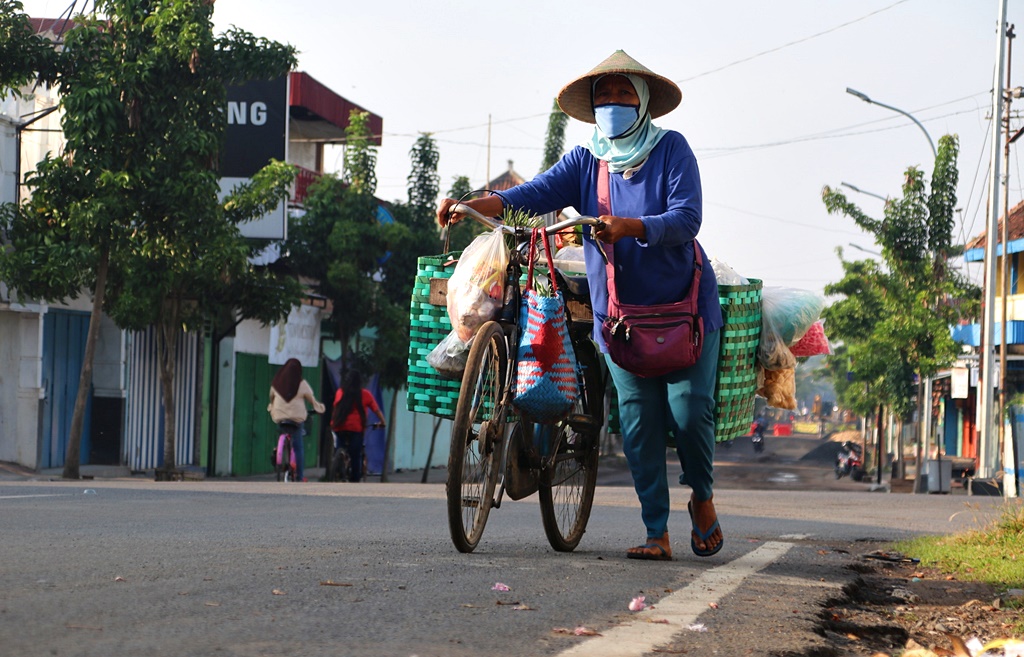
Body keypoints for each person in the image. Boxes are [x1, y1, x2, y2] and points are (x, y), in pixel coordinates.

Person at [437, 50, 724, 560]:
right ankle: (656, 532)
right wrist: (466, 205)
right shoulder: (585, 161)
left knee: (691, 413)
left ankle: (701, 497)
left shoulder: (672, 150)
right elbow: (529, 194)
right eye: (604, 94)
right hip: (620, 318)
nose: (612, 102)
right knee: (637, 424)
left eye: (622, 92)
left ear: (642, 101)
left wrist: (634, 227)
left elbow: (688, 218)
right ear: (593, 107)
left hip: (686, 313)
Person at [268, 358, 325, 482]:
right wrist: (319, 408)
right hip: (296, 421)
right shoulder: (301, 384)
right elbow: (311, 399)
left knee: (282, 429)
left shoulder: (276, 383)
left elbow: (271, 397)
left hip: (280, 418)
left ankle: (279, 452)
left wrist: (271, 407)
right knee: (298, 447)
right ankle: (299, 477)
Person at [331, 370, 387, 482]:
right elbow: (377, 411)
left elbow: (335, 409)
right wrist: (382, 422)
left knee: (339, 447)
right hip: (356, 429)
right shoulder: (365, 394)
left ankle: (338, 463)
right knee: (355, 455)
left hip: (338, 427)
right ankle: (354, 480)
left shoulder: (340, 392)